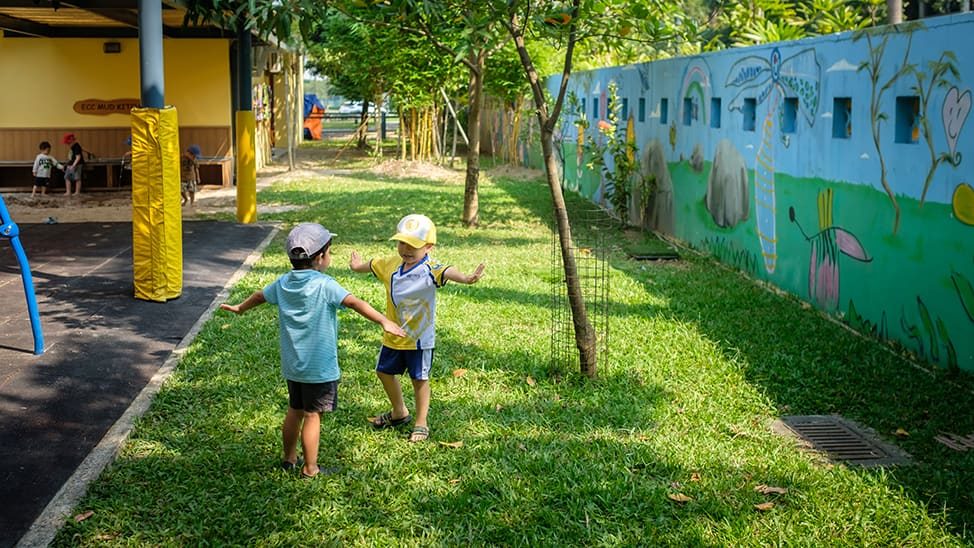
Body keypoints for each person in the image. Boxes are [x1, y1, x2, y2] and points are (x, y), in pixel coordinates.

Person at [220, 223, 405, 478]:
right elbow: (354, 302)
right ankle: (310, 468)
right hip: (318, 368)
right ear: (320, 257)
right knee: (312, 415)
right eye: (330, 252)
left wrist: (240, 308)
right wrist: (384, 321)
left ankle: (288, 457)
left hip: (293, 365)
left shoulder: (283, 282)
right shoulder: (325, 284)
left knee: (295, 409)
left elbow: (259, 296)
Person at [349, 214, 486, 442]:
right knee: (383, 372)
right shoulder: (391, 264)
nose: (406, 249)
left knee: (419, 379)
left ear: (429, 246)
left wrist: (466, 278)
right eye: (402, 242)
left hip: (419, 339)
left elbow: (448, 271)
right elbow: (372, 264)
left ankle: (421, 422)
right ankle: (399, 412)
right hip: (393, 334)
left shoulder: (430, 268)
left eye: (413, 245)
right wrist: (356, 266)